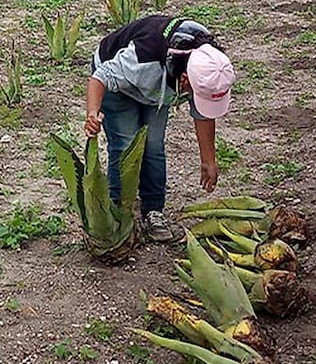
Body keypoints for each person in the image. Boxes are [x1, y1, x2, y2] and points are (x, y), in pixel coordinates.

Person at [84, 15, 236, 242]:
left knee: (153, 144)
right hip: (116, 85)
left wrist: (209, 160)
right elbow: (100, 78)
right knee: (125, 145)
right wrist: (93, 113)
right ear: (185, 80)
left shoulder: (208, 65)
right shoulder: (142, 59)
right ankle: (117, 213)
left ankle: (153, 211)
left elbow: (202, 112)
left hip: (158, 88)